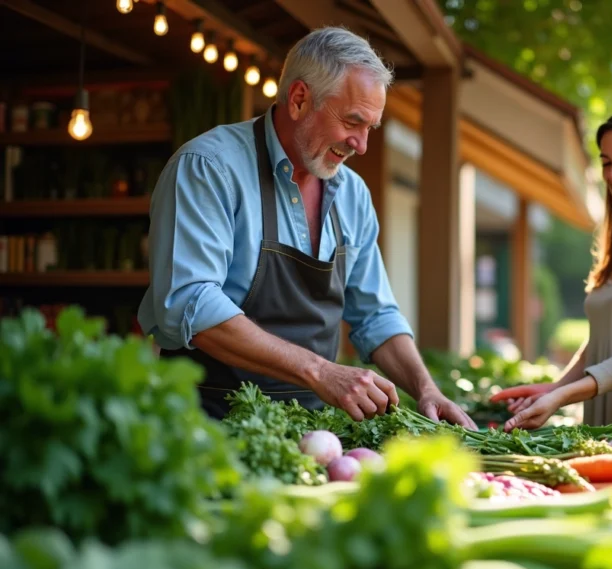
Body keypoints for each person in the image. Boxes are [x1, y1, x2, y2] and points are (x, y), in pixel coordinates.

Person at [137, 27, 474, 428]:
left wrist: (425, 389)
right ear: (299, 99)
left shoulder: (352, 194)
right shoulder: (209, 168)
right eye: (353, 122)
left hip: (313, 434)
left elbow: (375, 315)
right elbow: (190, 303)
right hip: (205, 428)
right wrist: (320, 372)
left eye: (371, 128)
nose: (361, 145)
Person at [493, 110, 612, 432]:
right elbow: (600, 340)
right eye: (607, 162)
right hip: (601, 424)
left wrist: (563, 396)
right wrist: (553, 388)